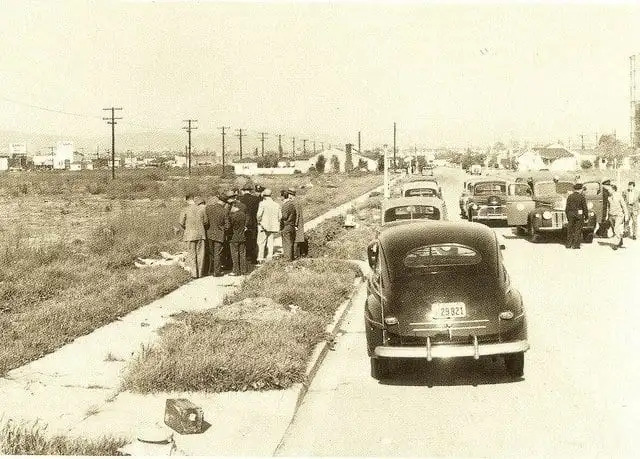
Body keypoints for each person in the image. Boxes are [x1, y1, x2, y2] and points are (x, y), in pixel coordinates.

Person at [178, 194, 209, 278]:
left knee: (192, 254)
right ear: (194, 199)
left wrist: (187, 228)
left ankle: (194, 273)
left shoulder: (185, 209)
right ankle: (200, 273)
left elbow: (181, 222)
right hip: (201, 234)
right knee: (200, 254)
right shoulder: (201, 209)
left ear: (186, 200)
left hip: (190, 234)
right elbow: (206, 222)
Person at [205, 193, 228, 276]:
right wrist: (223, 229)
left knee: (211, 253)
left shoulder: (208, 208)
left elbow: (205, 221)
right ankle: (217, 272)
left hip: (209, 233)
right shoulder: (224, 211)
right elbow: (227, 226)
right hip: (219, 234)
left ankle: (209, 270)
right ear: (224, 202)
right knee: (217, 253)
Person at [256, 188, 281, 262]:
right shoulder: (276, 204)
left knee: (261, 243)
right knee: (270, 242)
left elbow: (259, 215)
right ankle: (269, 256)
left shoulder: (262, 204)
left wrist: (259, 222)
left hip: (263, 226)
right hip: (272, 226)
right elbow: (280, 216)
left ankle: (260, 258)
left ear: (264, 195)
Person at [238, 184, 261, 264]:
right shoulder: (256, 199)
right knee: (253, 240)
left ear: (243, 190)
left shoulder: (240, 199)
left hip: (242, 222)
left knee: (243, 240)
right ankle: (253, 258)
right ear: (251, 191)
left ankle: (244, 257)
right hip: (253, 222)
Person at [227, 195, 248, 276]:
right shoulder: (243, 214)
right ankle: (243, 270)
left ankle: (236, 271)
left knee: (234, 254)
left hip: (234, 237)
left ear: (233, 206)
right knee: (242, 254)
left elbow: (229, 227)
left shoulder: (233, 216)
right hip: (242, 236)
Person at [565, 183, 588, 249]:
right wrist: (586, 217)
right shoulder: (582, 197)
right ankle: (576, 245)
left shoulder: (570, 196)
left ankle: (568, 244)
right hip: (579, 215)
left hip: (570, 215)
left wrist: (567, 216)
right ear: (580, 189)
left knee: (570, 230)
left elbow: (567, 208)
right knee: (578, 230)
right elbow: (585, 208)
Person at [607, 183, 629, 251]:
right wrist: (607, 215)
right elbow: (608, 207)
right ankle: (620, 241)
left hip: (619, 215)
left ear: (613, 190)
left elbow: (624, 206)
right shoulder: (609, 197)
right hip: (611, 215)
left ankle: (616, 244)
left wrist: (626, 215)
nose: (608, 190)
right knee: (614, 229)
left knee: (616, 228)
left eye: (609, 189)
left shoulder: (619, 196)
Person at [287, 188, 307, 258]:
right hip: (298, 223)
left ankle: (295, 256)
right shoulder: (296, 201)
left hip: (297, 224)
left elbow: (297, 214)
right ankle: (299, 254)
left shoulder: (294, 202)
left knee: (296, 240)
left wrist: (295, 224)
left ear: (291, 195)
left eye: (289, 194)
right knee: (297, 239)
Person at [280, 189, 297, 261]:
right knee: (290, 242)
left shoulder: (286, 205)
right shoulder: (291, 204)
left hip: (286, 226)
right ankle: (290, 257)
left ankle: (288, 258)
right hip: (291, 226)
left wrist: (278, 215)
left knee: (287, 243)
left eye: (281, 196)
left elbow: (284, 216)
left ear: (283, 197)